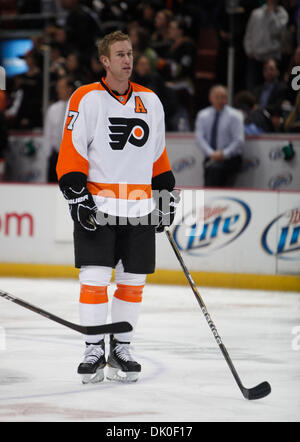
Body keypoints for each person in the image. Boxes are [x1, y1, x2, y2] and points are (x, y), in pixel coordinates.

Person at [56, 30, 176, 384]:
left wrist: (164, 197)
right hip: (99, 206)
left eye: (130, 53)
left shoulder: (151, 102)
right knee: (93, 280)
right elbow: (71, 154)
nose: (128, 60)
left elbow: (159, 158)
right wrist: (77, 198)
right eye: (120, 54)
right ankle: (93, 348)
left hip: (139, 208)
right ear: (104, 61)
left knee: (132, 283)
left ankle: (121, 347)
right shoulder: (86, 98)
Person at [195, 85, 244, 187]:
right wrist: (211, 153)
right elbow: (199, 138)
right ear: (210, 98)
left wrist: (223, 154)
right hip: (211, 157)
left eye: (223, 97)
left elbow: (239, 140)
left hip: (231, 158)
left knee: (215, 170)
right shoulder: (203, 115)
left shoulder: (235, 116)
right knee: (212, 170)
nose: (220, 100)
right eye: (217, 97)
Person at [243, 0, 288, 89]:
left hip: (272, 58)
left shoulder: (282, 14)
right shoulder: (256, 13)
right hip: (255, 56)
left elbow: (277, 30)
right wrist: (248, 49)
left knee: (271, 88)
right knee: (253, 86)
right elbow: (249, 32)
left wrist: (271, 13)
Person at [43, 76, 76, 182]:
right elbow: (48, 134)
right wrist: (48, 155)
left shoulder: (78, 108)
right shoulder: (53, 109)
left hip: (72, 157)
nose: (58, 90)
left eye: (61, 87)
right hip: (56, 156)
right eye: (58, 87)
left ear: (69, 89)